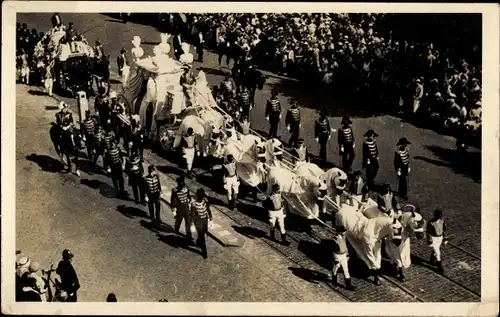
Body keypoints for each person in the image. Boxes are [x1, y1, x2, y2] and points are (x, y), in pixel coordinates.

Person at [190, 188, 213, 259]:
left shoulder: (205, 201)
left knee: (204, 232)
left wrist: (211, 217)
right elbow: (193, 214)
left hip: (205, 220)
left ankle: (198, 241)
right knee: (202, 237)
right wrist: (192, 223)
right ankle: (204, 251)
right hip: (198, 221)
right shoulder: (194, 204)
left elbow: (208, 209)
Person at [332, 225, 355, 290]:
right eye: (343, 231)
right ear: (340, 232)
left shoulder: (344, 237)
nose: (345, 232)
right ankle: (334, 282)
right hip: (337, 256)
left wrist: (347, 254)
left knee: (346, 270)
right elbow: (333, 250)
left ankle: (348, 285)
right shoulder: (335, 239)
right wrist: (335, 259)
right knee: (335, 268)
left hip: (343, 255)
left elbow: (345, 246)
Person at [171, 176, 192, 241]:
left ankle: (188, 235)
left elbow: (189, 196)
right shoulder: (175, 190)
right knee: (179, 220)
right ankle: (176, 229)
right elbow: (172, 200)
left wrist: (189, 201)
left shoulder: (186, 188)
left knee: (188, 222)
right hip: (179, 207)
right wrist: (173, 209)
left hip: (186, 207)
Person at [426, 209, 448, 274]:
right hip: (434, 238)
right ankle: (440, 266)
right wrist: (429, 240)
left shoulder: (442, 221)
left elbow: (444, 230)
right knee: (438, 253)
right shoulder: (431, 222)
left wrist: (445, 238)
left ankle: (432, 259)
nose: (439, 217)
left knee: (437, 250)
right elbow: (428, 232)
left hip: (440, 238)